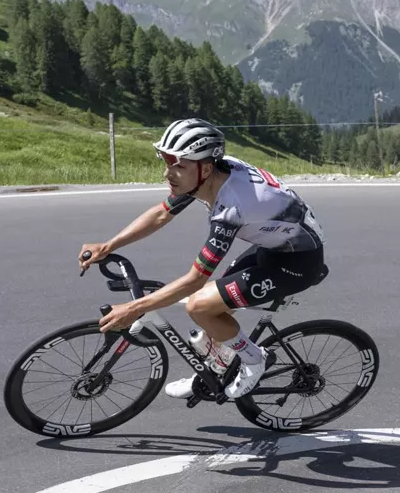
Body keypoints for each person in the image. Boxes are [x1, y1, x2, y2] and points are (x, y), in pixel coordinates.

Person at [84, 118, 327, 399]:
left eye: (179, 166)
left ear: (205, 167)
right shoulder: (211, 175)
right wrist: (109, 244)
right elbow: (162, 213)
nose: (168, 173)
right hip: (273, 247)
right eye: (167, 162)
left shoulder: (232, 208)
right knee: (214, 310)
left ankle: (254, 359)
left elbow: (195, 279)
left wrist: (134, 308)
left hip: (298, 262)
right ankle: (217, 368)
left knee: (199, 306)